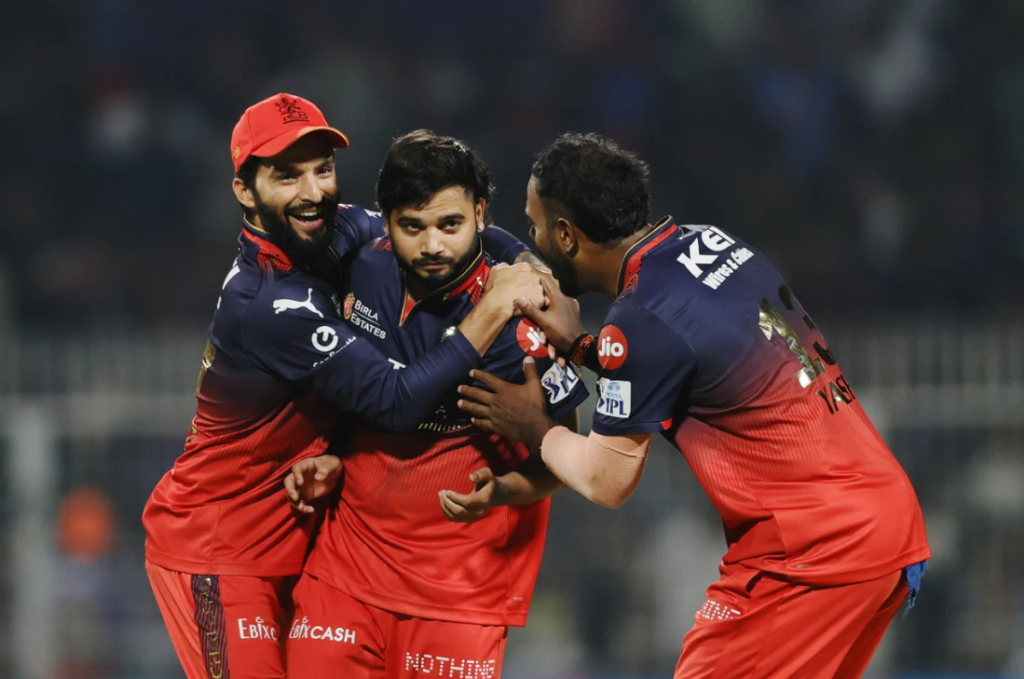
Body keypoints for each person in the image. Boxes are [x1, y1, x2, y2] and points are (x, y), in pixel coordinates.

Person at [455, 132, 931, 679]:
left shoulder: (638, 320)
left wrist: (535, 427)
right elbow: (690, 362)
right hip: (883, 523)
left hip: (812, 552)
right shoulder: (711, 243)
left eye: (536, 225)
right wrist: (584, 348)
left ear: (566, 235)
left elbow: (608, 481)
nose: (533, 239)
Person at [142, 94, 543, 679]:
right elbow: (395, 401)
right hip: (220, 549)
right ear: (244, 192)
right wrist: (491, 309)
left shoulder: (333, 231)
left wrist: (529, 265)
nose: (313, 191)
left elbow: (447, 222)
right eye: (287, 175)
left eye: (322, 169)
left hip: (296, 542)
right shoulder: (267, 302)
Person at [282, 130, 587, 679]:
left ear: (480, 214)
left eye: (451, 225)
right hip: (344, 576)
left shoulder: (527, 321)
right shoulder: (360, 266)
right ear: (386, 221)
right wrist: (334, 452)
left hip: (458, 596)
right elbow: (364, 391)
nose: (432, 246)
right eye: (412, 227)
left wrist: (504, 490)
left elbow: (568, 462)